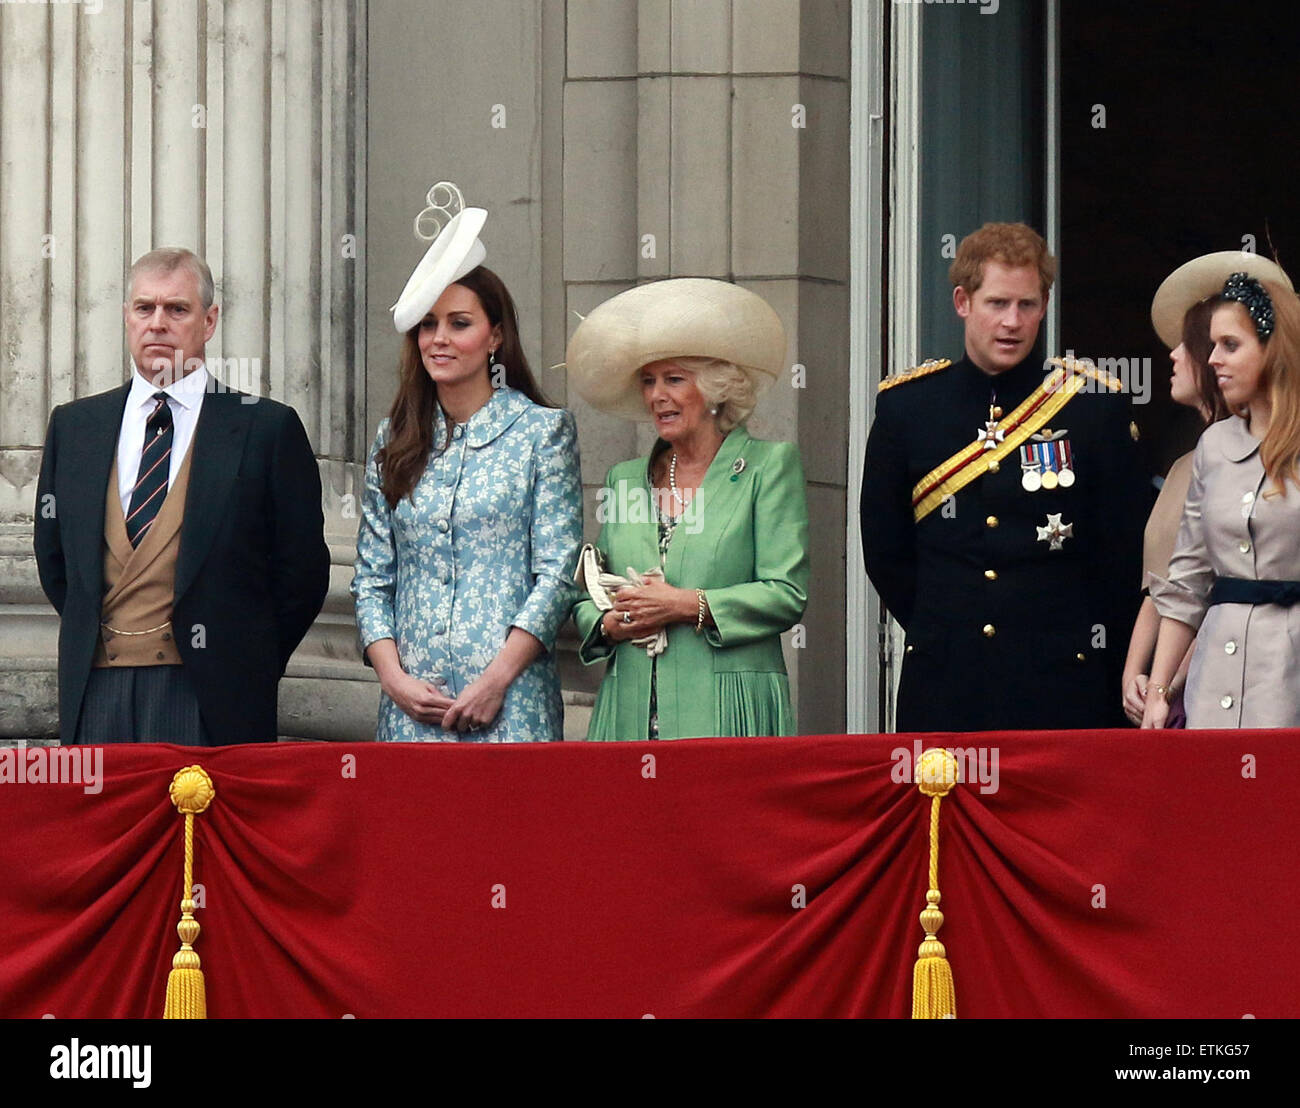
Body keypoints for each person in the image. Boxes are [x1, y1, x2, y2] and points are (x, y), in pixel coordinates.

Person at [33, 248, 330, 745]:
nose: (157, 324)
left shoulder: (265, 427)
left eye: (177, 309)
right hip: (95, 694)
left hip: (213, 698)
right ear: (127, 317)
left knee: (201, 827)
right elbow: (55, 561)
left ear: (209, 321)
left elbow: (302, 573)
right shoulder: (75, 426)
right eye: (144, 308)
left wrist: (243, 660)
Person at [859, 222, 1148, 732]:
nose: (1012, 322)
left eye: (1027, 305)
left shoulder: (1093, 407)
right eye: (996, 304)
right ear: (962, 302)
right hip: (948, 678)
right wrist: (949, 627)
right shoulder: (908, 407)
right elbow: (886, 551)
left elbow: (1121, 556)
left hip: (1062, 681)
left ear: (1044, 306)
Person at [352, 202, 582, 742]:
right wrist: (393, 680)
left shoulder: (541, 432)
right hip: (412, 712)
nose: (439, 339)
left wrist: (496, 680)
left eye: (460, 323)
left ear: (495, 336)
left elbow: (557, 573)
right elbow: (371, 578)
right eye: (427, 325)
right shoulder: (395, 438)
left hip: (511, 704)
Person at [566, 278, 809, 740]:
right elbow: (588, 594)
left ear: (716, 389)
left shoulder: (767, 468)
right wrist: (608, 623)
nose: (657, 395)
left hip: (727, 711)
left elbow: (786, 594)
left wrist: (684, 604)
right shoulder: (625, 478)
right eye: (649, 381)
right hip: (629, 711)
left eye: (674, 379)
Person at [1122, 252, 1291, 725]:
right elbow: (1184, 581)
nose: (1212, 358)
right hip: (1213, 677)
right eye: (1212, 344)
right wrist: (1158, 689)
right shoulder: (1212, 449)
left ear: (1274, 350)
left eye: (1230, 345)